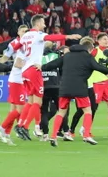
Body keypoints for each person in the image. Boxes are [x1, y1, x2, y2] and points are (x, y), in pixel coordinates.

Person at [10, 14, 80, 142]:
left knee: (30, 101)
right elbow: (51, 37)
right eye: (43, 23)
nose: (45, 25)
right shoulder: (38, 35)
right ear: (37, 24)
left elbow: (15, 47)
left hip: (24, 71)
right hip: (34, 70)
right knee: (38, 102)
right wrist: (68, 36)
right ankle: (25, 127)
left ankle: (20, 125)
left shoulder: (25, 35)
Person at [41, 37, 108, 147]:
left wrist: (41, 67)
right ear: (90, 49)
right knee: (88, 111)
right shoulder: (87, 57)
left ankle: (53, 136)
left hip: (64, 87)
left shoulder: (67, 55)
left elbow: (52, 64)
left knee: (61, 112)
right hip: (80, 88)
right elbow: (100, 68)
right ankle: (86, 135)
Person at [0, 25, 28, 145]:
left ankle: (6, 134)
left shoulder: (27, 44)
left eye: (27, 31)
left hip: (21, 79)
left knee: (13, 109)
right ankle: (2, 127)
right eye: (23, 31)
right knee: (20, 109)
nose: (25, 33)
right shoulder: (15, 44)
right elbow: (6, 58)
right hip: (16, 79)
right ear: (18, 32)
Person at [38, 43, 62, 139]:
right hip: (55, 85)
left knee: (43, 111)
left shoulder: (38, 57)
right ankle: (61, 131)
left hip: (43, 86)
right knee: (61, 110)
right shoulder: (56, 55)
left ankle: (45, 134)